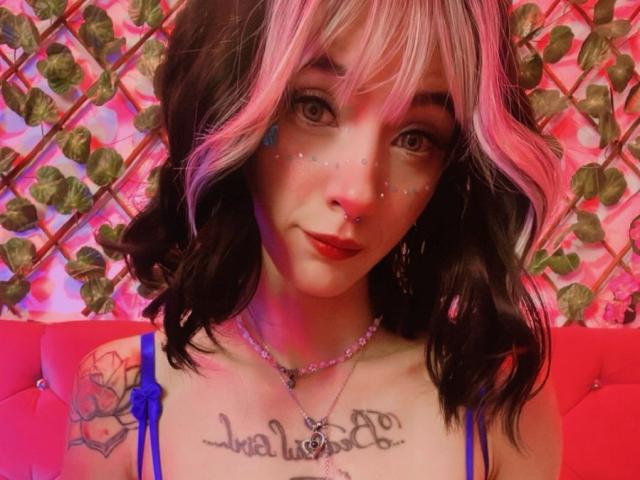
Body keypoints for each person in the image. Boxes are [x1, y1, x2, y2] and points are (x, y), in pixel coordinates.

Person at [60, 0, 564, 478]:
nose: (358, 194)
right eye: (314, 108)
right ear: (236, 107)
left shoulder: (500, 401)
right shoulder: (119, 391)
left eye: (415, 138)